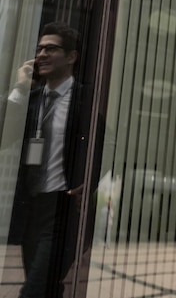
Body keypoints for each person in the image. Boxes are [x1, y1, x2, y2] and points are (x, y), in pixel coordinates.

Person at [6, 22, 94, 298]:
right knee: (46, 286)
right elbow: (3, 136)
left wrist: (90, 184)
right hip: (31, 208)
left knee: (32, 290)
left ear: (71, 57)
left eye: (51, 48)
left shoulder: (86, 99)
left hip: (63, 208)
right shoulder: (30, 100)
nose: (41, 54)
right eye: (40, 48)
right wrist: (19, 89)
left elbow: (110, 146)